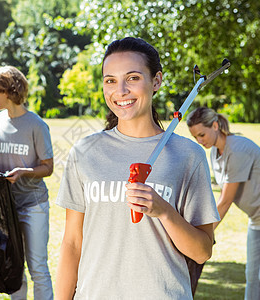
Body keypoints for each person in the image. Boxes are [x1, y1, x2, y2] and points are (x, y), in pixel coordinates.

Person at [54, 37, 220, 300]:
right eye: (110, 80)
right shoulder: (84, 152)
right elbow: (72, 244)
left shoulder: (189, 155)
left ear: (156, 81)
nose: (120, 90)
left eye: (132, 78)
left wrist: (164, 211)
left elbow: (202, 251)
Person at [186, 107, 260, 300]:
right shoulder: (215, 152)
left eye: (202, 134)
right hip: (257, 217)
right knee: (252, 278)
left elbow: (226, 200)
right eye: (196, 137)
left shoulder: (237, 149)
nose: (200, 141)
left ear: (216, 125)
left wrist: (205, 233)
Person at [0, 66, 54, 300]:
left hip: (33, 205)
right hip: (7, 207)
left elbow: (48, 167)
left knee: (38, 267)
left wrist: (23, 172)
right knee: (14, 266)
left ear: (8, 91)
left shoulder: (36, 125)